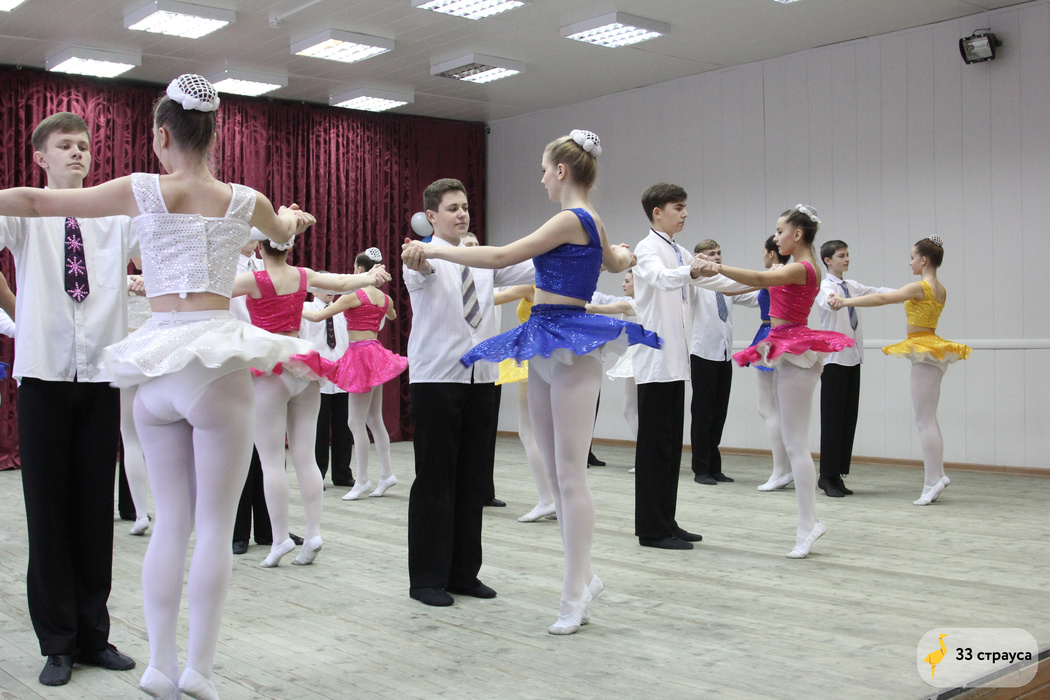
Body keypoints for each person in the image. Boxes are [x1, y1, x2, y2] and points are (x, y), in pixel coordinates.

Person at [0, 75, 318, 699]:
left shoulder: (141, 191)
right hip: (211, 363)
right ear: (214, 134)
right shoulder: (245, 199)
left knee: (168, 523)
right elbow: (280, 237)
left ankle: (156, 665)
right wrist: (288, 222)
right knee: (212, 526)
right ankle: (196, 671)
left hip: (155, 367)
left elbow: (33, 202)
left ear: (162, 136)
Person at [404, 130, 660, 635]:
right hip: (526, 342)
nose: (541, 178)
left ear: (561, 171)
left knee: (566, 474)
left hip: (561, 340)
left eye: (544, 170)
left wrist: (438, 251)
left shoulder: (570, 218)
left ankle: (572, 592)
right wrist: (627, 258)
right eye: (453, 208)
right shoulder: (582, 221)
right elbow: (609, 260)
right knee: (551, 471)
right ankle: (580, 578)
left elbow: (504, 258)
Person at [0, 111, 137, 688]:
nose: (78, 153)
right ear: (41, 157)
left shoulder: (116, 218)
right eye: (64, 146)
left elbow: (170, 239)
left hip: (101, 377)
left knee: (94, 511)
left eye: (83, 145)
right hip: (43, 376)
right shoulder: (24, 214)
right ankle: (57, 642)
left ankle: (93, 636)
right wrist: (19, 310)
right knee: (48, 513)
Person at [400, 178, 535, 609]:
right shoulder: (422, 256)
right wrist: (418, 258)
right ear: (431, 217)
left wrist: (582, 250)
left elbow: (530, 264)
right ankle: (426, 578)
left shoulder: (483, 260)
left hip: (482, 377)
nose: (462, 214)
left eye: (465, 207)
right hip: (437, 378)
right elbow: (417, 269)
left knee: (473, 479)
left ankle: (463, 573)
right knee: (435, 479)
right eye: (452, 208)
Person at [699, 205, 854, 559]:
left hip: (795, 347)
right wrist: (697, 275)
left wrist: (716, 266)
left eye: (781, 230)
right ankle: (809, 522)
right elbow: (750, 282)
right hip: (784, 343)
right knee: (791, 438)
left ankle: (808, 525)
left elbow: (758, 279)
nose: (777, 236)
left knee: (796, 443)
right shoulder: (792, 266)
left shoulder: (803, 268)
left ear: (797, 234)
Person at [236, 237, 389, 568]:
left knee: (271, 461)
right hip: (303, 363)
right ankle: (313, 534)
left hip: (270, 365)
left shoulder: (254, 279)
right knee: (306, 458)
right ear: (289, 249)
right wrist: (370, 276)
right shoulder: (302, 275)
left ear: (260, 248)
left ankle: (279, 539)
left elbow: (211, 293)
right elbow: (342, 282)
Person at [631, 183, 750, 551]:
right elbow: (661, 278)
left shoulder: (679, 251)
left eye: (685, 207)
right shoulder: (647, 249)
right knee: (654, 450)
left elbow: (718, 281)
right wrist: (693, 272)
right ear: (657, 212)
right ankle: (651, 530)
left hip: (676, 363)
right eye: (678, 207)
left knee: (670, 450)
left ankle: (667, 522)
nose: (685, 214)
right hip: (655, 362)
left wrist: (768, 286)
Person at [828, 235, 970, 505]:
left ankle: (931, 481)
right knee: (929, 418)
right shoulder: (940, 289)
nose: (910, 262)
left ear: (924, 260)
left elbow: (883, 298)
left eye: (912, 257)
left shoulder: (920, 287)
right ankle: (938, 474)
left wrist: (845, 302)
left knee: (924, 419)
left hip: (924, 349)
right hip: (930, 347)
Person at [301, 249, 404, 501]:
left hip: (360, 355)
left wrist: (293, 308)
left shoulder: (353, 296)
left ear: (359, 269)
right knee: (375, 420)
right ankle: (385, 474)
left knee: (355, 422)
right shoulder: (385, 298)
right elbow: (392, 315)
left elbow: (317, 315)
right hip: (376, 352)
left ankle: (362, 479)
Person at [815, 240, 894, 497]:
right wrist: (836, 300)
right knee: (832, 420)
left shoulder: (851, 286)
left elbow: (877, 293)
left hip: (853, 358)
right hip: (834, 361)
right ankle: (826, 476)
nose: (846, 259)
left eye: (847, 255)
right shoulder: (825, 286)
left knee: (848, 419)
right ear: (828, 260)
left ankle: (838, 474)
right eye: (841, 255)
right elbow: (829, 302)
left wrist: (908, 293)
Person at [689, 239, 759, 485]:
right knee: (703, 414)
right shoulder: (695, 285)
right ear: (699, 257)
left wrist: (773, 283)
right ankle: (700, 469)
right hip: (703, 355)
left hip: (723, 354)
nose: (717, 257)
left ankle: (714, 466)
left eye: (719, 253)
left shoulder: (724, 285)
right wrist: (695, 268)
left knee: (719, 413)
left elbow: (752, 297)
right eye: (711, 253)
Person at [492, 283, 556, 521]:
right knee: (549, 435)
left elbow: (489, 299)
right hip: (555, 357)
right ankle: (557, 499)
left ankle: (547, 499)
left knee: (529, 433)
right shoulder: (561, 288)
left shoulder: (531, 287)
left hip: (533, 358)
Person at [301, 285, 355, 489]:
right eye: (324, 287)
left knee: (344, 428)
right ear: (313, 291)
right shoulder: (306, 309)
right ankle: (317, 475)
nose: (329, 291)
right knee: (319, 429)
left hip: (341, 377)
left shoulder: (341, 310)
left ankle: (342, 473)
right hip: (316, 377)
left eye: (332, 287)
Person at [751, 236, 794, 492]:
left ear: (770, 253)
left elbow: (739, 285)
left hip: (770, 335)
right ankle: (785, 467)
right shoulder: (792, 273)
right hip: (787, 336)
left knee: (768, 408)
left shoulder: (773, 274)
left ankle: (780, 469)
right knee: (779, 408)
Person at [586, 270, 639, 472]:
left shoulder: (634, 302)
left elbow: (603, 306)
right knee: (631, 409)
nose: (623, 284)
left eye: (627, 281)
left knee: (631, 409)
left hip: (642, 356)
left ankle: (647, 457)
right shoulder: (641, 301)